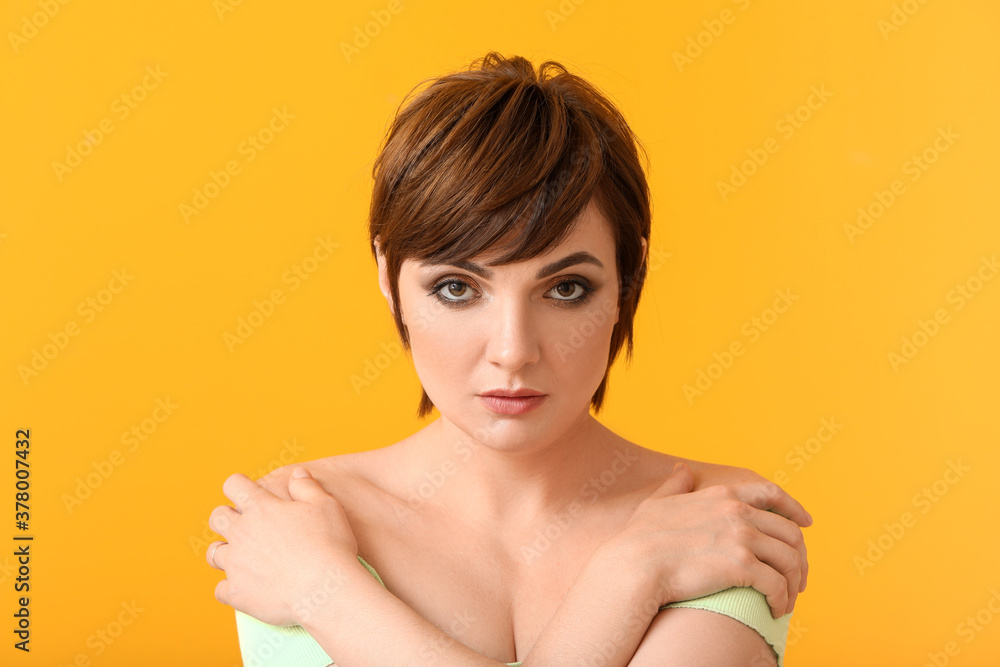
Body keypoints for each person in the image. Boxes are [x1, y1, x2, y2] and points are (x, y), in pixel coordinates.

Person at [205, 51, 812, 667]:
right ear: (388, 277)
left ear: (630, 277)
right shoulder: (296, 520)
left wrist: (327, 595)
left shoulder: (718, 517)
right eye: (457, 289)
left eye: (566, 288)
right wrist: (632, 577)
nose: (513, 351)